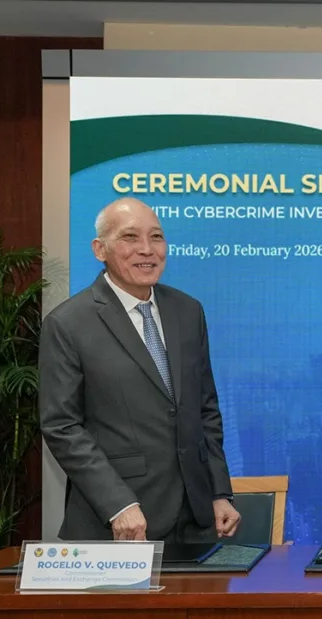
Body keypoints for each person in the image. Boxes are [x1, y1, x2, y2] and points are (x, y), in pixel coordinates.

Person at [40, 197, 240, 542]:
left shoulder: (188, 311)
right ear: (100, 249)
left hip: (195, 520)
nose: (147, 249)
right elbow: (62, 426)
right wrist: (117, 504)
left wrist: (218, 490)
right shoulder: (68, 323)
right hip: (119, 523)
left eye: (156, 237)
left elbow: (205, 408)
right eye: (130, 237)